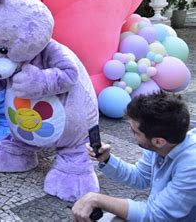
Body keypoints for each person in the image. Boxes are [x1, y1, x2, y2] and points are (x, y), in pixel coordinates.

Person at [72, 92, 196, 222]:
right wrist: (107, 159)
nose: (130, 133)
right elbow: (140, 177)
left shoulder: (191, 166)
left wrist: (97, 199)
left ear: (158, 141)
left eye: (135, 131)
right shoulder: (163, 142)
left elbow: (156, 215)